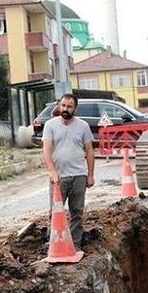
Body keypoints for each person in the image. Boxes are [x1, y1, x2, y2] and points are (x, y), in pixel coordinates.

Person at [42, 93, 95, 251]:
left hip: (79, 175)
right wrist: (52, 171)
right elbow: (46, 149)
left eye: (69, 106)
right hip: (59, 177)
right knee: (56, 211)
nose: (65, 109)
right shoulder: (50, 125)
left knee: (77, 212)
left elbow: (90, 151)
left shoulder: (83, 126)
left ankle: (75, 244)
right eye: (63, 105)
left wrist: (90, 175)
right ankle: (54, 244)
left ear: (75, 108)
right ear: (59, 106)